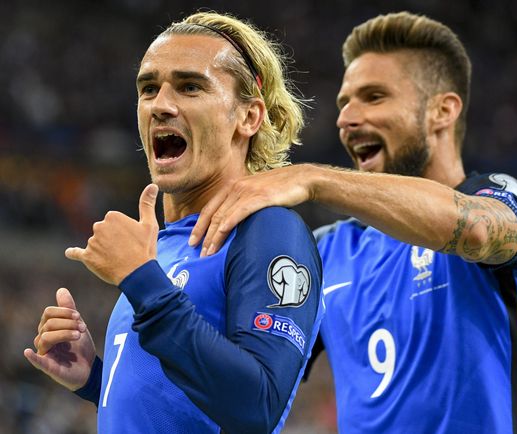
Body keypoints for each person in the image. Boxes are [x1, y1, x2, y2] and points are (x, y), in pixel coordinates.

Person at [188, 11, 517, 434]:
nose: (346, 118)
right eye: (345, 102)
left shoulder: (504, 199)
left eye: (374, 97)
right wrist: (97, 379)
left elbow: (474, 230)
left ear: (442, 110)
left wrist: (313, 178)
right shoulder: (325, 252)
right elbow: (238, 386)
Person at [23, 11, 323, 434]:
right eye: (148, 88)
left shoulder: (268, 231)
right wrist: (95, 379)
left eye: (190, 86)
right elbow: (182, 405)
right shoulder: (161, 246)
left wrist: (143, 281)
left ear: (249, 117)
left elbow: (258, 405)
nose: (161, 105)